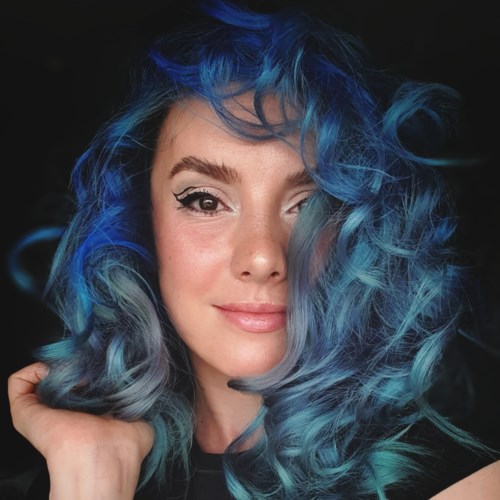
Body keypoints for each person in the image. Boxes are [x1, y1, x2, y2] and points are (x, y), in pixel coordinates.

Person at [4, 0, 499, 498]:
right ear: (142, 223)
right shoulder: (65, 470)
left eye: (309, 204)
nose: (262, 259)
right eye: (205, 201)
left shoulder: (468, 486)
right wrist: (91, 476)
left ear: (359, 230)